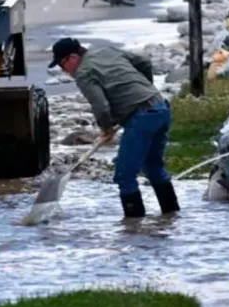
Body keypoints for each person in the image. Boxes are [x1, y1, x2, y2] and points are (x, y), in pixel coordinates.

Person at [49, 37, 180, 218]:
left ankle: (133, 229)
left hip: (142, 117)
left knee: (124, 176)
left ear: (72, 58)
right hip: (161, 108)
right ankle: (171, 217)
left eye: (62, 66)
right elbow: (144, 61)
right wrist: (147, 87)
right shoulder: (106, 51)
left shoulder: (84, 73)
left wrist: (106, 128)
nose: (64, 72)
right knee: (153, 167)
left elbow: (101, 106)